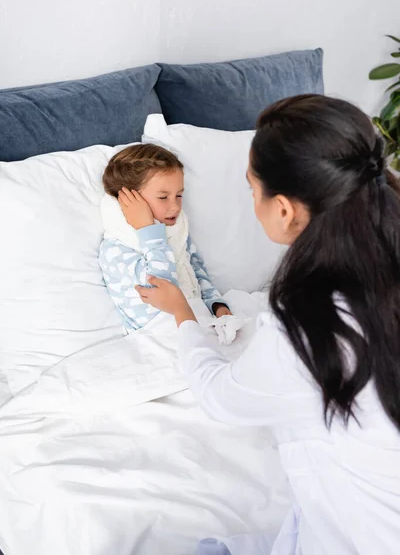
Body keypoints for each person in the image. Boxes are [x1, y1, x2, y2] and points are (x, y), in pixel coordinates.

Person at [135, 95, 400, 554]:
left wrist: (182, 314)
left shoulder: (311, 321)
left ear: (283, 209)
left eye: (251, 189)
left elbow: (221, 397)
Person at [98, 143, 231, 332]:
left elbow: (196, 271)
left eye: (179, 195)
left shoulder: (176, 231)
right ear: (129, 200)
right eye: (163, 197)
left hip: (197, 319)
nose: (176, 206)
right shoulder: (115, 250)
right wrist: (147, 229)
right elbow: (162, 288)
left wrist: (216, 305)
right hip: (159, 334)